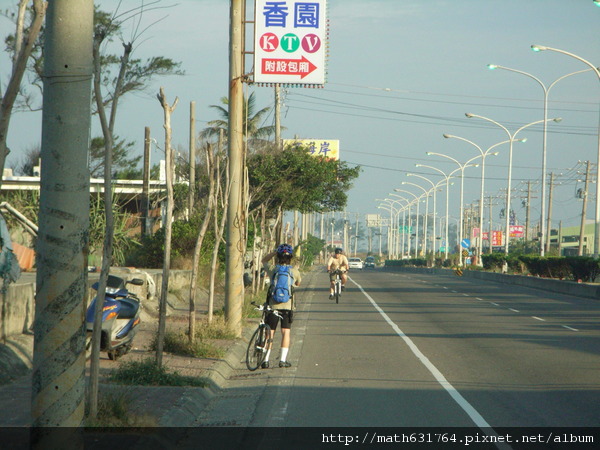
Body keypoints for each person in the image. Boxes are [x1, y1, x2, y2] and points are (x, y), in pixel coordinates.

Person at [260, 243, 302, 369]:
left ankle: (265, 360)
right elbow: (298, 283)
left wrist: (274, 252)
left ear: (278, 257)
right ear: (290, 258)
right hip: (287, 307)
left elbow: (264, 260)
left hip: (273, 306)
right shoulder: (294, 271)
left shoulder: (274, 269)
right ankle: (282, 360)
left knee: (270, 334)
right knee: (285, 333)